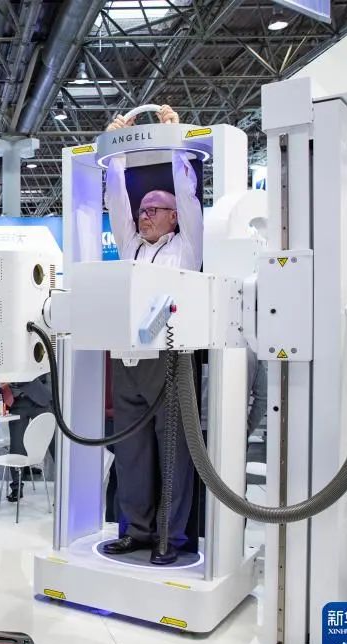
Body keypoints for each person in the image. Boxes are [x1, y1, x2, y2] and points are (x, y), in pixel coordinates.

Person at [101, 105, 202, 566]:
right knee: (131, 452)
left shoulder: (187, 246)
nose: (144, 216)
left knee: (174, 451)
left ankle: (170, 538)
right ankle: (136, 530)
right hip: (127, 358)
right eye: (143, 210)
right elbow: (116, 200)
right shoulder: (131, 246)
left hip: (171, 359)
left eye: (155, 210)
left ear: (174, 217)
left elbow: (187, 190)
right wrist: (115, 149)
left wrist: (172, 137)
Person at [0, 377, 53, 502]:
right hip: (16, 403)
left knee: (55, 443)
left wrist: (11, 379)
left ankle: (64, 487)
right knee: (17, 447)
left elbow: (42, 373)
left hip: (38, 399)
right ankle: (16, 488)